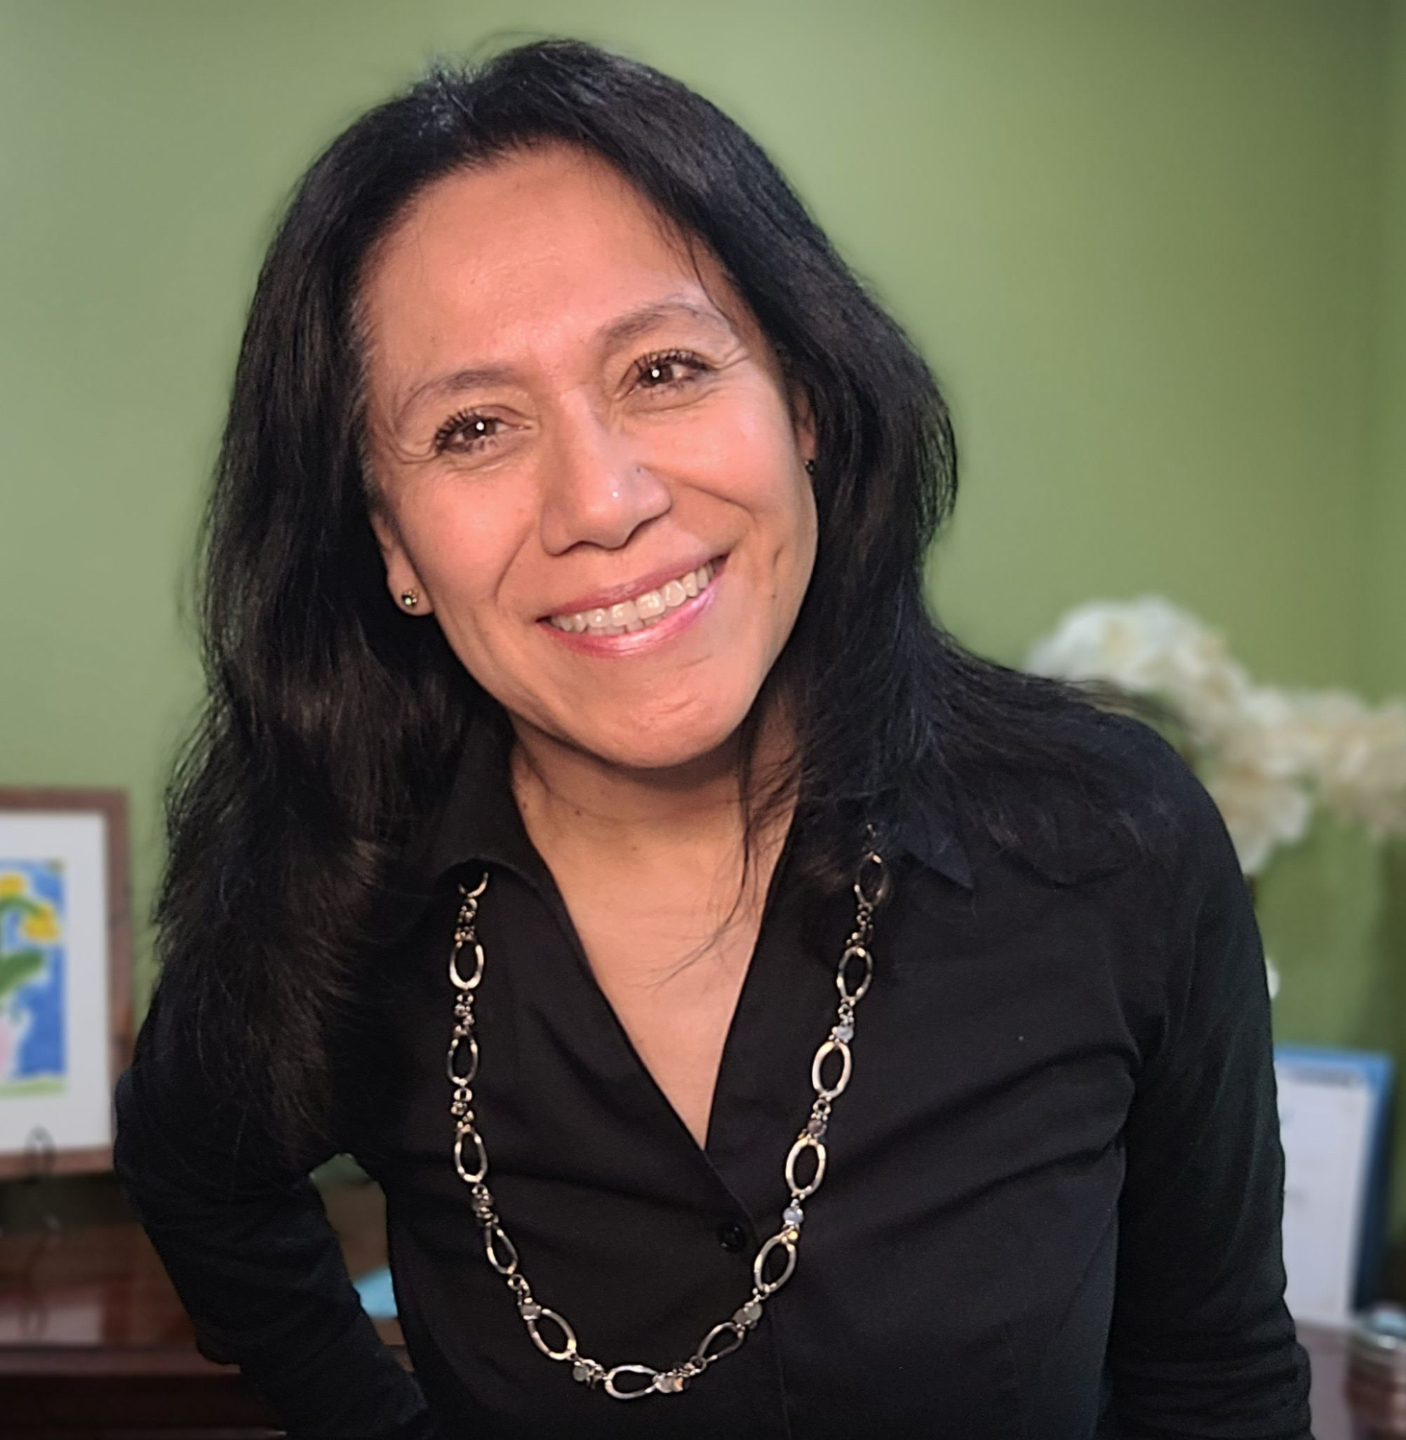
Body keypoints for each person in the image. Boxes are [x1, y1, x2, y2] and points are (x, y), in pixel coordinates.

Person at [112, 35, 1313, 1440]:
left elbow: (1215, 1380)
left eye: (665, 368)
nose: (603, 502)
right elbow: (193, 1168)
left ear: (802, 401)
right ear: (392, 544)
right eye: (476, 427)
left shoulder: (1111, 841)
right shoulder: (336, 889)